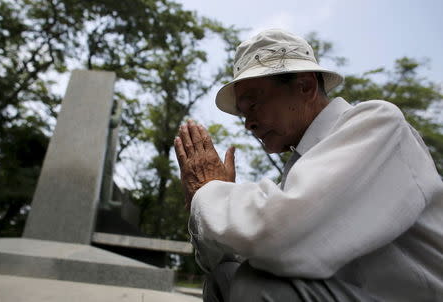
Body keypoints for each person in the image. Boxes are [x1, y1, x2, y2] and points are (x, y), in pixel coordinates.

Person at [174, 29, 443, 301]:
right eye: (244, 113)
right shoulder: (300, 170)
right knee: (225, 275)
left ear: (305, 87)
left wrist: (210, 192)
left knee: (256, 285)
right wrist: (203, 203)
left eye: (253, 105)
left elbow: (279, 238)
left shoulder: (379, 123)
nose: (248, 123)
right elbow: (240, 252)